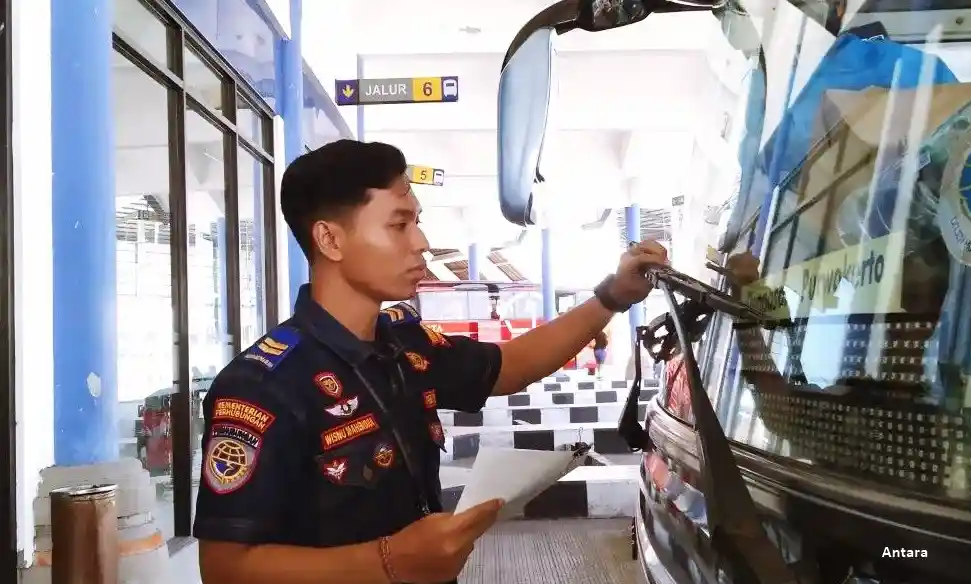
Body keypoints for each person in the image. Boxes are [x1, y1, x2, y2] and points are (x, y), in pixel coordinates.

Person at [192, 139, 669, 584]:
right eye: (399, 224)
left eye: (416, 221)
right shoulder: (263, 386)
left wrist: (612, 297)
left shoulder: (404, 344)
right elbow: (224, 566)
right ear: (330, 241)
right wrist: (387, 562)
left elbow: (509, 364)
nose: (421, 242)